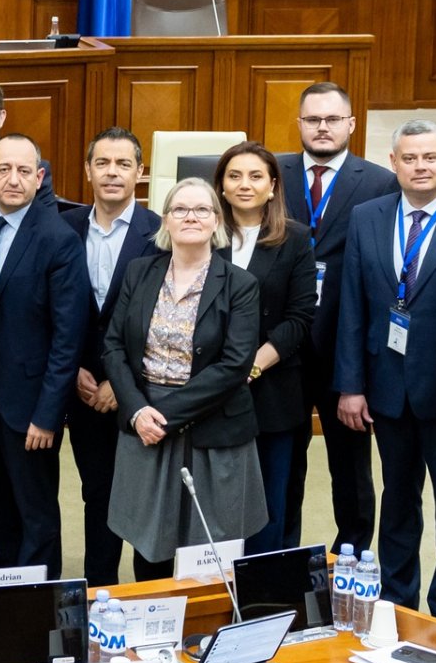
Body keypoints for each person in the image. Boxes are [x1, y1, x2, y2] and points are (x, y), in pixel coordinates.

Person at [336, 120, 436, 622]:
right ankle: (397, 608)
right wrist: (350, 385)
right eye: (409, 158)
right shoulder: (367, 216)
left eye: (429, 157)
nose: (420, 167)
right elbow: (352, 304)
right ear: (393, 163)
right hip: (386, 387)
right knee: (397, 503)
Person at [102, 177, 265, 581]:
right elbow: (113, 346)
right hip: (144, 421)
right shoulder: (139, 272)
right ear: (166, 221)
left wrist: (164, 416)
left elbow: (234, 365)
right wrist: (137, 411)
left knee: (211, 545)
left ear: (217, 221)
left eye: (202, 209)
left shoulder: (240, 284)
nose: (191, 216)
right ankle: (155, 614)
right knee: (149, 541)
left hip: (213, 425)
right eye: (180, 209)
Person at [0, 134, 88, 577]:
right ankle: (5, 570)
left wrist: (48, 414)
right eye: (3, 170)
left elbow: (67, 337)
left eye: (23, 171)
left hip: (31, 395)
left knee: (34, 499)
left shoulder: (58, 238)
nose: (12, 180)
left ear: (39, 177)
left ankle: (40, 586)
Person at [278, 81, 397, 552]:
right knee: (282, 464)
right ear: (299, 124)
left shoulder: (380, 182)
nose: (322, 127)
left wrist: (358, 370)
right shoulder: (273, 173)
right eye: (313, 119)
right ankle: (280, 557)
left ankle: (352, 555)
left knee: (350, 466)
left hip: (344, 348)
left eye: (332, 119)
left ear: (351, 123)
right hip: (282, 347)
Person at [59, 127, 163, 586]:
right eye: (102, 163)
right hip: (81, 388)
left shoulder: (160, 233)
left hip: (143, 392)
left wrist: (123, 385)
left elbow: (165, 321)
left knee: (145, 498)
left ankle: (149, 594)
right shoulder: (64, 228)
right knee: (96, 492)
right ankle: (100, 589)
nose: (112, 172)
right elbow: (55, 309)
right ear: (88, 170)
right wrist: (73, 370)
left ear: (139, 172)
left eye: (123, 164)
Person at [213, 141, 317, 556]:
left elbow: (300, 317)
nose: (245, 184)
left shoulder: (295, 239)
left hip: (273, 390)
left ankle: (266, 588)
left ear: (273, 186)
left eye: (256, 176)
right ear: (221, 186)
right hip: (209, 390)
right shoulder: (204, 234)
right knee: (216, 501)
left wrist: (251, 367)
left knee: (269, 502)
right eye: (234, 176)